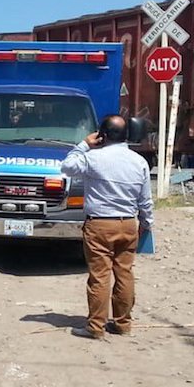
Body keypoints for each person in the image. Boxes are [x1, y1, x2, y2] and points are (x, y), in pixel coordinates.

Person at [60, 115, 154, 340]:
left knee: (99, 276)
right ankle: (123, 324)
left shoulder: (93, 158)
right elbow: (146, 200)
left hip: (100, 225)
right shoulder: (139, 161)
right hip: (129, 224)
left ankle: (95, 327)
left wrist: (83, 144)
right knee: (125, 274)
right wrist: (146, 224)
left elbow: (67, 166)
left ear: (102, 134)